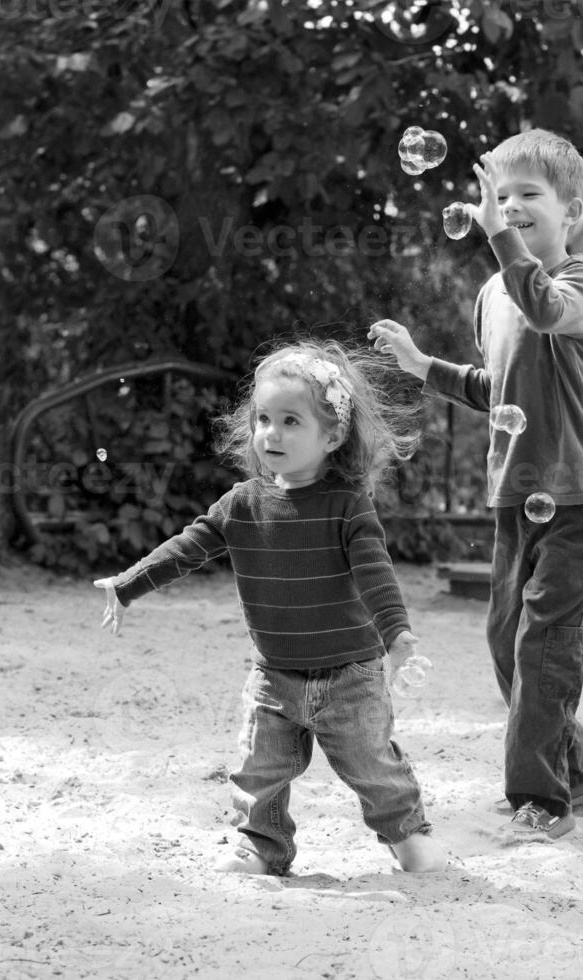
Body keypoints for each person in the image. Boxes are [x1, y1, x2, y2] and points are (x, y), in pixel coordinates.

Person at [94, 339, 447, 875]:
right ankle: (263, 845)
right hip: (273, 677)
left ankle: (407, 835)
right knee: (259, 772)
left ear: (332, 436)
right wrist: (128, 584)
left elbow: (376, 573)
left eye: (290, 420)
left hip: (349, 676)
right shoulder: (241, 504)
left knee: (373, 770)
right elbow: (187, 548)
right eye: (263, 418)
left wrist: (396, 634)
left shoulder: (347, 505)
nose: (271, 433)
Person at [369, 129, 583, 841]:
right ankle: (575, 775)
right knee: (507, 641)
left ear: (569, 210)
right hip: (518, 495)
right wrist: (423, 365)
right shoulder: (491, 293)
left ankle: (540, 802)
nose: (507, 208)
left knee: (545, 646)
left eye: (526, 196)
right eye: (499, 195)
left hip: (579, 495)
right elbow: (496, 388)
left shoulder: (576, 281)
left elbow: (544, 308)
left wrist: (497, 239)